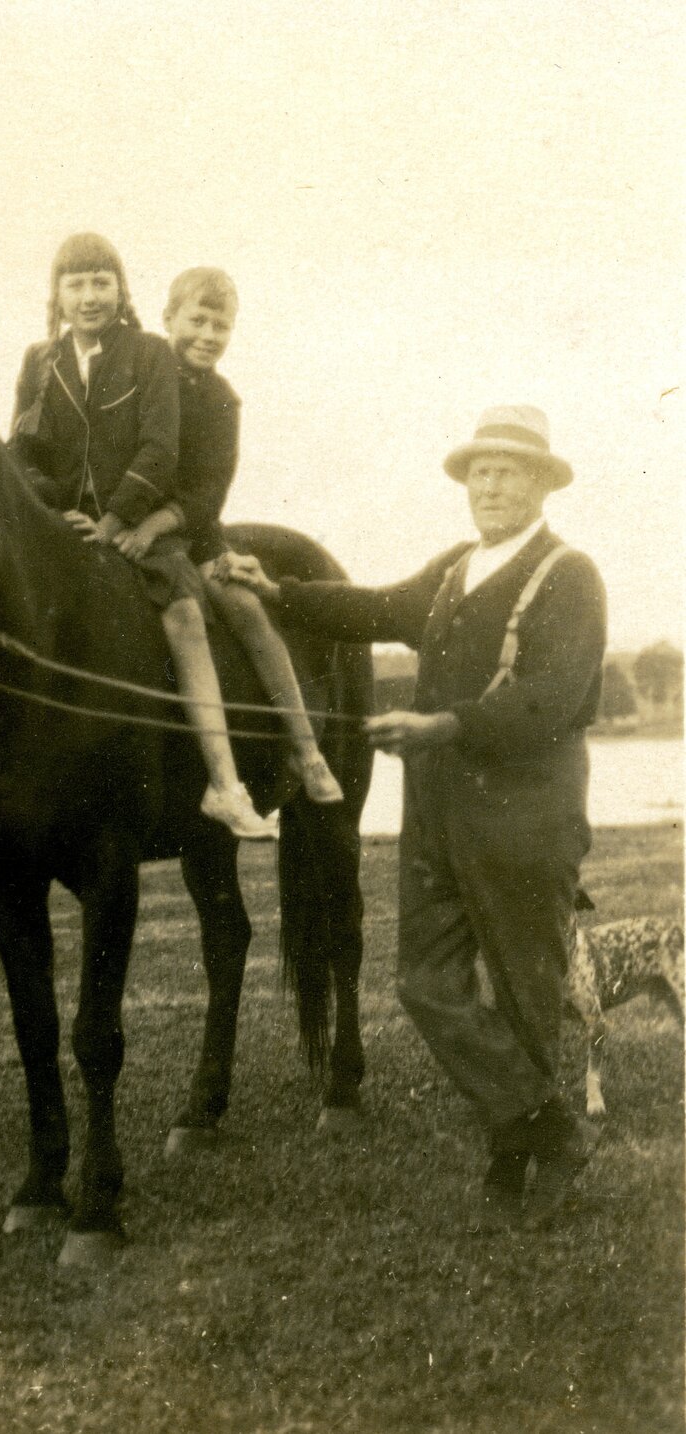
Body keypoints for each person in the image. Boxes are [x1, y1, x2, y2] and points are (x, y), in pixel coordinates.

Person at [220, 406, 607, 1230]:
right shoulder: (456, 568)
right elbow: (376, 609)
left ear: (540, 483)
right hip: (436, 820)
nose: (491, 485)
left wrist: (443, 726)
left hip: (524, 820)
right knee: (423, 983)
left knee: (525, 995)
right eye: (480, 472)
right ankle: (553, 1130)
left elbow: (555, 697)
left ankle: (516, 1166)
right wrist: (279, 591)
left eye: (508, 471)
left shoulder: (569, 575)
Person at [0, 234, 274, 839]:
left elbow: (159, 448)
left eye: (102, 281)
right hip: (64, 524)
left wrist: (118, 518)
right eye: (76, 283)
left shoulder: (149, 354)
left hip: (137, 525)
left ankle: (224, 783)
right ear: (57, 295)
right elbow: (23, 448)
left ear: (121, 290)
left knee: (184, 615)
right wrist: (47, 506)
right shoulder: (40, 362)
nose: (90, 296)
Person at [100, 266, 342, 804]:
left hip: (191, 532)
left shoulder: (222, 402)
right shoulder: (136, 374)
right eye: (198, 320)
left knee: (247, 610)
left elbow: (208, 493)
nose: (209, 336)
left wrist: (157, 524)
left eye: (222, 326)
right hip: (125, 520)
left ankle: (307, 750)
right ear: (168, 319)